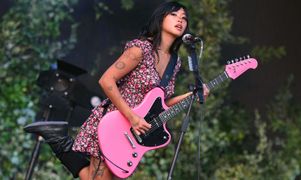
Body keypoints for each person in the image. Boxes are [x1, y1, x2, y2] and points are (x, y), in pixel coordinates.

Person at [24, 1, 209, 179]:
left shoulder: (175, 62)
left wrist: (191, 96)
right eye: (174, 14)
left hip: (132, 134)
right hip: (115, 121)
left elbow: (162, 103)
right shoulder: (140, 49)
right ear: (160, 19)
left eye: (184, 18)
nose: (180, 20)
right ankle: (58, 140)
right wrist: (132, 116)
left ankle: (57, 139)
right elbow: (106, 81)